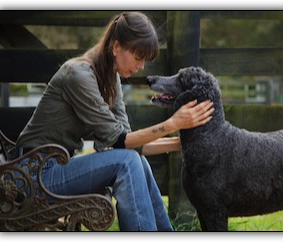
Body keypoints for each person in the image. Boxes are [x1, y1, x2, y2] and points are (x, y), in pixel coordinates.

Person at [15, 11, 214, 231]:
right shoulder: (78, 75)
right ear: (117, 47)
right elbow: (119, 140)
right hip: (33, 176)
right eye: (138, 58)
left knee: (135, 160)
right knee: (128, 162)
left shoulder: (111, 76)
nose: (141, 67)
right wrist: (174, 123)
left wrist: (182, 143)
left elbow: (129, 143)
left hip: (56, 168)